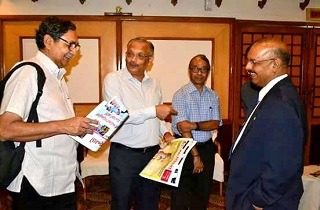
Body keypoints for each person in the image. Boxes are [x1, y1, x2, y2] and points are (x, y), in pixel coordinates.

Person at [0, 16, 98, 210]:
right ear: (48, 41)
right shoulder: (28, 72)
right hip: (37, 181)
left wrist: (79, 129)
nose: (74, 51)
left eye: (76, 46)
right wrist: (65, 125)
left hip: (61, 178)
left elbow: (56, 124)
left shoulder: (58, 78)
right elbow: (5, 129)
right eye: (70, 44)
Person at [226, 38, 308, 210]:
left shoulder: (281, 102)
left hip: (264, 201)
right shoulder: (274, 94)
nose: (248, 67)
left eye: (254, 62)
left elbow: (284, 163)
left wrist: (259, 199)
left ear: (275, 64)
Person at [102, 37, 177, 210]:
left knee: (149, 204)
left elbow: (158, 118)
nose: (132, 60)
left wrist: (165, 133)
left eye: (140, 56)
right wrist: (153, 111)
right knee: (121, 204)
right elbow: (118, 115)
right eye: (130, 54)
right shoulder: (113, 80)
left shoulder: (155, 83)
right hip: (124, 157)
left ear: (149, 61)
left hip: (152, 155)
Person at [171, 54, 223, 210]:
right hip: (185, 148)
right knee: (181, 195)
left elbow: (215, 123)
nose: (199, 73)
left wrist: (193, 125)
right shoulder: (180, 95)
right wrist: (195, 156)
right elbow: (182, 128)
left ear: (208, 72)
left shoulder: (213, 95)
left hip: (207, 148)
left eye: (203, 69)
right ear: (189, 71)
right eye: (195, 69)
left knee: (202, 193)